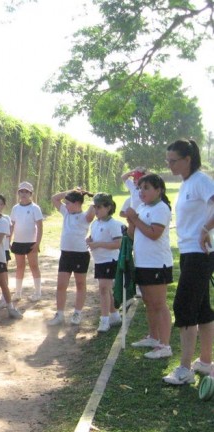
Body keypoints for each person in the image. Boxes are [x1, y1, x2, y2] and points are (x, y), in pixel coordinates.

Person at [163, 139, 214, 384]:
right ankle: (204, 362)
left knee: (183, 306)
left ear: (187, 159)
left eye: (173, 161)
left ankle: (184, 369)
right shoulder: (186, 183)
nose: (169, 165)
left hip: (199, 252)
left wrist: (205, 229)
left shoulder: (201, 181)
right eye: (168, 160)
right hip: (189, 252)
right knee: (202, 308)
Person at [124, 174, 174, 358]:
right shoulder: (142, 207)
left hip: (157, 263)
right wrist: (131, 222)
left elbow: (154, 233)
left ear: (158, 190)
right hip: (143, 262)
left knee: (159, 304)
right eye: (139, 188)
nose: (141, 192)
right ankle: (153, 337)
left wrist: (135, 219)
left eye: (146, 188)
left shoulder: (161, 208)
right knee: (148, 302)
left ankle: (165, 345)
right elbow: (132, 235)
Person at [47, 189, 96, 326]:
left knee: (80, 284)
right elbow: (54, 198)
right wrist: (70, 191)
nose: (65, 205)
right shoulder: (66, 213)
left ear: (77, 203)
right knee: (61, 285)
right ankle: (60, 314)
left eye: (68, 203)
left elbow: (94, 207)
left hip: (80, 254)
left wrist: (89, 196)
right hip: (66, 254)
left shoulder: (85, 216)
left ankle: (77, 313)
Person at [86, 193, 123, 332]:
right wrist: (89, 240)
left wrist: (98, 244)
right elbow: (93, 236)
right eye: (95, 207)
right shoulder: (95, 223)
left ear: (108, 207)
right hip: (99, 260)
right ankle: (114, 315)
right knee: (105, 289)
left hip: (110, 260)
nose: (96, 210)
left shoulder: (113, 224)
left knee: (103, 289)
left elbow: (118, 243)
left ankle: (104, 320)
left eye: (99, 207)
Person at [10, 182, 44, 302]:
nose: (23, 194)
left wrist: (37, 243)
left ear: (31, 194)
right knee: (20, 267)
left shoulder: (35, 208)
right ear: (18, 193)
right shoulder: (15, 208)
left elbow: (40, 227)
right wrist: (9, 240)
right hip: (18, 242)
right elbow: (12, 225)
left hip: (31, 243)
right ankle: (18, 292)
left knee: (34, 266)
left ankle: (38, 292)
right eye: (21, 191)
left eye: (26, 192)